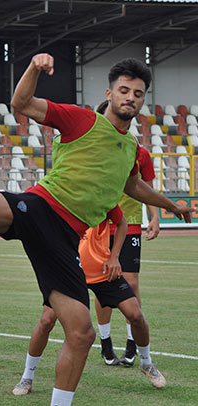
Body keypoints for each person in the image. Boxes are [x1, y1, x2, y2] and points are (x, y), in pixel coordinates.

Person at [0, 55, 193, 406]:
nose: (130, 97)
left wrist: (170, 205)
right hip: (40, 208)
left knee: (81, 333)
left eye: (138, 93)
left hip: (65, 241)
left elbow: (133, 187)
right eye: (123, 90)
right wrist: (35, 68)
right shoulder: (82, 119)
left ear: (143, 100)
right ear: (109, 93)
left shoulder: (131, 149)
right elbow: (20, 103)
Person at [12, 205, 166, 397]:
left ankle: (146, 363)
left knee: (135, 314)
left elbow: (122, 224)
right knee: (46, 321)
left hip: (103, 270)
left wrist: (115, 257)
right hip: (69, 273)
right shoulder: (59, 200)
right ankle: (27, 377)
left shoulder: (102, 197)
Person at [93, 101, 160, 367]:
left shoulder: (139, 152)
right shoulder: (92, 150)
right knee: (102, 287)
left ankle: (133, 342)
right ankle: (106, 343)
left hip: (129, 224)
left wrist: (154, 217)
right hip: (98, 225)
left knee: (131, 283)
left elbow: (147, 188)